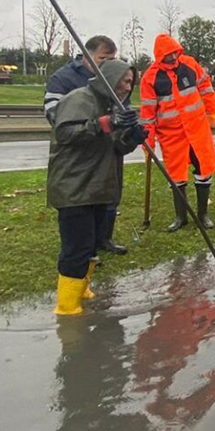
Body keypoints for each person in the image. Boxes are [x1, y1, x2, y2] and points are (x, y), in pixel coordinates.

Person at [47, 58, 148, 316]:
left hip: (99, 188)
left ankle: (82, 289)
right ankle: (67, 307)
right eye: (125, 81)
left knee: (91, 246)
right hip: (75, 187)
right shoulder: (79, 99)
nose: (128, 87)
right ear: (111, 78)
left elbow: (115, 147)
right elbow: (65, 134)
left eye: (131, 82)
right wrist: (107, 123)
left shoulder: (114, 107)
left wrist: (131, 139)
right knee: (76, 248)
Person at [43, 35, 129, 256]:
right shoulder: (64, 78)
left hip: (107, 150)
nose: (108, 64)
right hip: (80, 152)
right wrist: (93, 124)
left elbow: (121, 111)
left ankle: (103, 239)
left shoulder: (113, 80)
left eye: (112, 59)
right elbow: (56, 116)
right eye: (103, 58)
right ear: (87, 55)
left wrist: (126, 130)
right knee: (81, 208)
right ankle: (84, 249)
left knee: (109, 192)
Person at [139, 33, 215, 232]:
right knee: (176, 175)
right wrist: (147, 143)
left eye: (175, 53)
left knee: (203, 169)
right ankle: (181, 216)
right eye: (169, 55)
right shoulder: (150, 78)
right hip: (171, 134)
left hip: (197, 128)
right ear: (160, 56)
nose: (174, 58)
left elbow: (205, 87)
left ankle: (203, 215)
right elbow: (148, 115)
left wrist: (214, 109)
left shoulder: (190, 64)